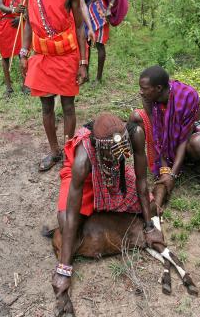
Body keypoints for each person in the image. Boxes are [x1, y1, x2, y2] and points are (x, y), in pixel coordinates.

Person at [52, 112, 164, 308]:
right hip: (85, 179)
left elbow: (141, 180)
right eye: (110, 154)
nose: (115, 157)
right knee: (66, 222)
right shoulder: (83, 158)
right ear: (98, 146)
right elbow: (71, 214)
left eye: (119, 153)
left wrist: (148, 226)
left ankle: (103, 212)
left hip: (115, 174)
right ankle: (99, 211)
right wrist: (64, 269)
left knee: (152, 207)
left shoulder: (134, 134)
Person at [20, 0, 87, 172]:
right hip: (42, 57)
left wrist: (83, 62)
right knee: (46, 107)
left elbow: (80, 27)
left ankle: (69, 151)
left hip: (67, 55)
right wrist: (23, 53)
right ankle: (53, 151)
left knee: (68, 106)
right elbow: (28, 22)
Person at [130, 65, 200, 212]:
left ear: (158, 88)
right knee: (136, 117)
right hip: (170, 136)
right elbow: (157, 131)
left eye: (144, 88)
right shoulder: (149, 98)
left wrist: (172, 175)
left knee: (198, 145)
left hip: (192, 137)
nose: (141, 92)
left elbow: (184, 139)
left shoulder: (187, 96)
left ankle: (197, 164)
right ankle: (163, 163)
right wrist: (165, 170)